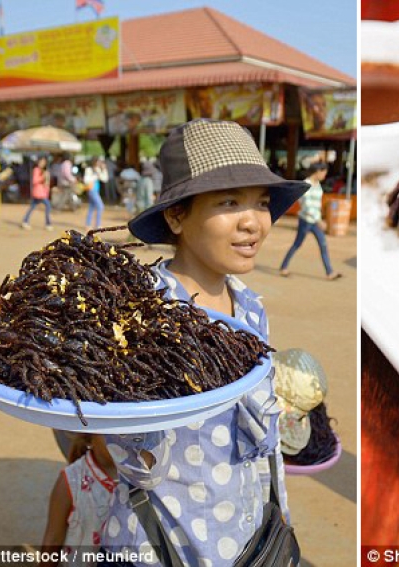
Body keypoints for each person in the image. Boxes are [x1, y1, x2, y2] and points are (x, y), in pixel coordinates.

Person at [99, 119, 309, 566]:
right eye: (229, 202)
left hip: (247, 535)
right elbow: (128, 452)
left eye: (262, 203)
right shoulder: (141, 311)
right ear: (176, 216)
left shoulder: (250, 307)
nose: (253, 222)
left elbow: (262, 447)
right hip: (166, 541)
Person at [42, 434, 117, 566]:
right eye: (109, 433)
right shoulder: (71, 480)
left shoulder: (143, 479)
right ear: (89, 438)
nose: (119, 440)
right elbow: (53, 540)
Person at [279, 163, 342, 280]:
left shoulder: (317, 185)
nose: (324, 176)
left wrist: (319, 219)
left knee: (323, 244)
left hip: (315, 221)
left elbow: (316, 205)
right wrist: (319, 221)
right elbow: (306, 206)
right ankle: (283, 267)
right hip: (306, 221)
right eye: (324, 173)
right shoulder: (306, 185)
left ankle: (330, 272)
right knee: (297, 244)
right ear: (317, 171)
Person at [22, 156, 53, 231]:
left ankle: (25, 221)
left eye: (44, 162)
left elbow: (46, 184)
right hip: (38, 193)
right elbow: (34, 181)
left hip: (42, 193)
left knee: (32, 207)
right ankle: (48, 223)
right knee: (48, 206)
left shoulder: (43, 171)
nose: (42, 163)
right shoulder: (36, 170)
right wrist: (43, 177)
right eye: (41, 162)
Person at [83, 157, 107, 230]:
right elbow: (86, 180)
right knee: (100, 206)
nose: (99, 163)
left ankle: (88, 224)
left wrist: (103, 170)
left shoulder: (98, 170)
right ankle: (98, 224)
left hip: (96, 190)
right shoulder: (89, 170)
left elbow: (105, 179)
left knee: (91, 207)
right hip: (91, 190)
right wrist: (95, 176)